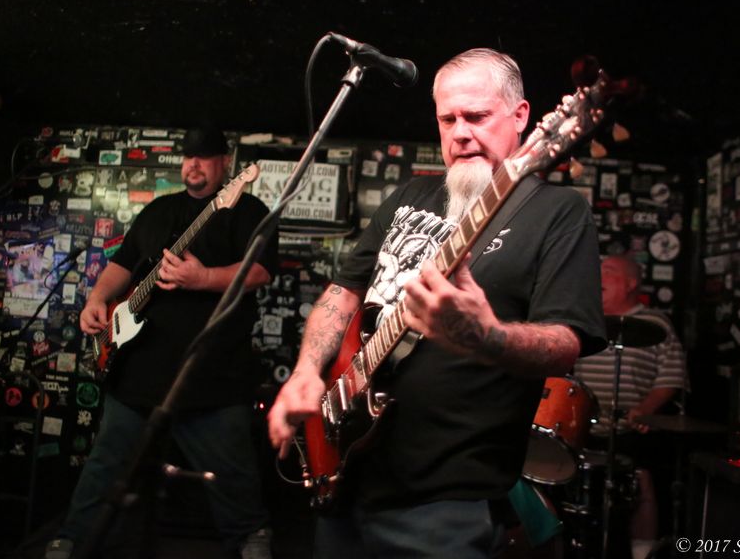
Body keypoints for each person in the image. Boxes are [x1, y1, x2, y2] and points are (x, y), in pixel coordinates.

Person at [267, 48, 606, 558]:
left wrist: (485, 335)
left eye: (477, 116)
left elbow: (565, 343)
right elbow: (344, 291)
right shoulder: (409, 196)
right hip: (350, 476)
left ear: (521, 117)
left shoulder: (558, 213)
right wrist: (306, 372)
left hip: (446, 502)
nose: (460, 132)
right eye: (448, 119)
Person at [46, 127, 277, 559]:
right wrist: (97, 299)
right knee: (105, 463)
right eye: (188, 157)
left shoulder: (246, 209)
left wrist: (203, 277)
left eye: (204, 157)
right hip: (138, 371)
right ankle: (74, 537)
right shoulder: (158, 210)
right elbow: (122, 265)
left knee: (233, 471)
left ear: (225, 163)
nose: (194, 164)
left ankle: (251, 537)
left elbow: (260, 272)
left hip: (212, 373)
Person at [573, 253, 687, 559]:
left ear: (631, 283)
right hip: (582, 425)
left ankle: (641, 553)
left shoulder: (656, 323)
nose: (598, 277)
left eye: (607, 271)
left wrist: (646, 409)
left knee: (640, 481)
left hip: (631, 428)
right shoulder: (586, 320)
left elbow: (672, 377)